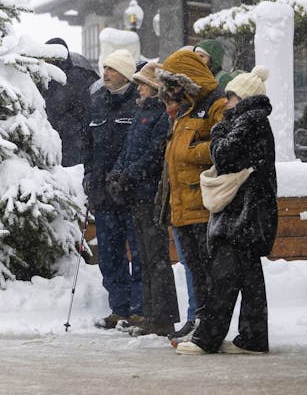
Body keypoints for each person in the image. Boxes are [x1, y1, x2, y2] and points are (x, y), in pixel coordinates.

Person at [176, 66, 277, 355]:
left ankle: (206, 339)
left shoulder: (247, 122)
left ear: (242, 98)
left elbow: (222, 154)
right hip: (252, 213)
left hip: (241, 215)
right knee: (249, 278)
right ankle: (253, 338)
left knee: (223, 277)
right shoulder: (256, 121)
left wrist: (218, 129)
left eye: (231, 97)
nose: (227, 103)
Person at [157, 48, 227, 344]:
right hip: (182, 205)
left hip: (202, 203)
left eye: (175, 83)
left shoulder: (216, 105)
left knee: (208, 271)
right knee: (196, 270)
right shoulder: (187, 109)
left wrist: (191, 152)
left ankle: (210, 328)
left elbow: (223, 146)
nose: (172, 91)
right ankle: (200, 322)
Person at [106, 61, 179, 336]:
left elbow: (154, 154)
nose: (138, 88)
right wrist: (117, 174)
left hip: (150, 194)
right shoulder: (141, 112)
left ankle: (163, 316)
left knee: (156, 257)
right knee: (145, 257)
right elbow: (128, 149)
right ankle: (149, 313)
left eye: (143, 84)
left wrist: (129, 175)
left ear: (154, 87)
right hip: (135, 194)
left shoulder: (161, 114)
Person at [83, 50, 143, 329]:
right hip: (103, 195)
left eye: (112, 69)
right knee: (109, 256)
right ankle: (119, 308)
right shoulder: (96, 102)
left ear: (126, 74)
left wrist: (127, 177)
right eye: (104, 67)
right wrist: (89, 176)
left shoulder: (139, 103)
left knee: (139, 254)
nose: (105, 73)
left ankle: (139, 309)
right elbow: (88, 146)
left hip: (131, 194)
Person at [42, 37, 99, 167]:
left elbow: (85, 112)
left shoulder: (77, 79)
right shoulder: (43, 77)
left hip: (72, 142)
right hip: (53, 139)